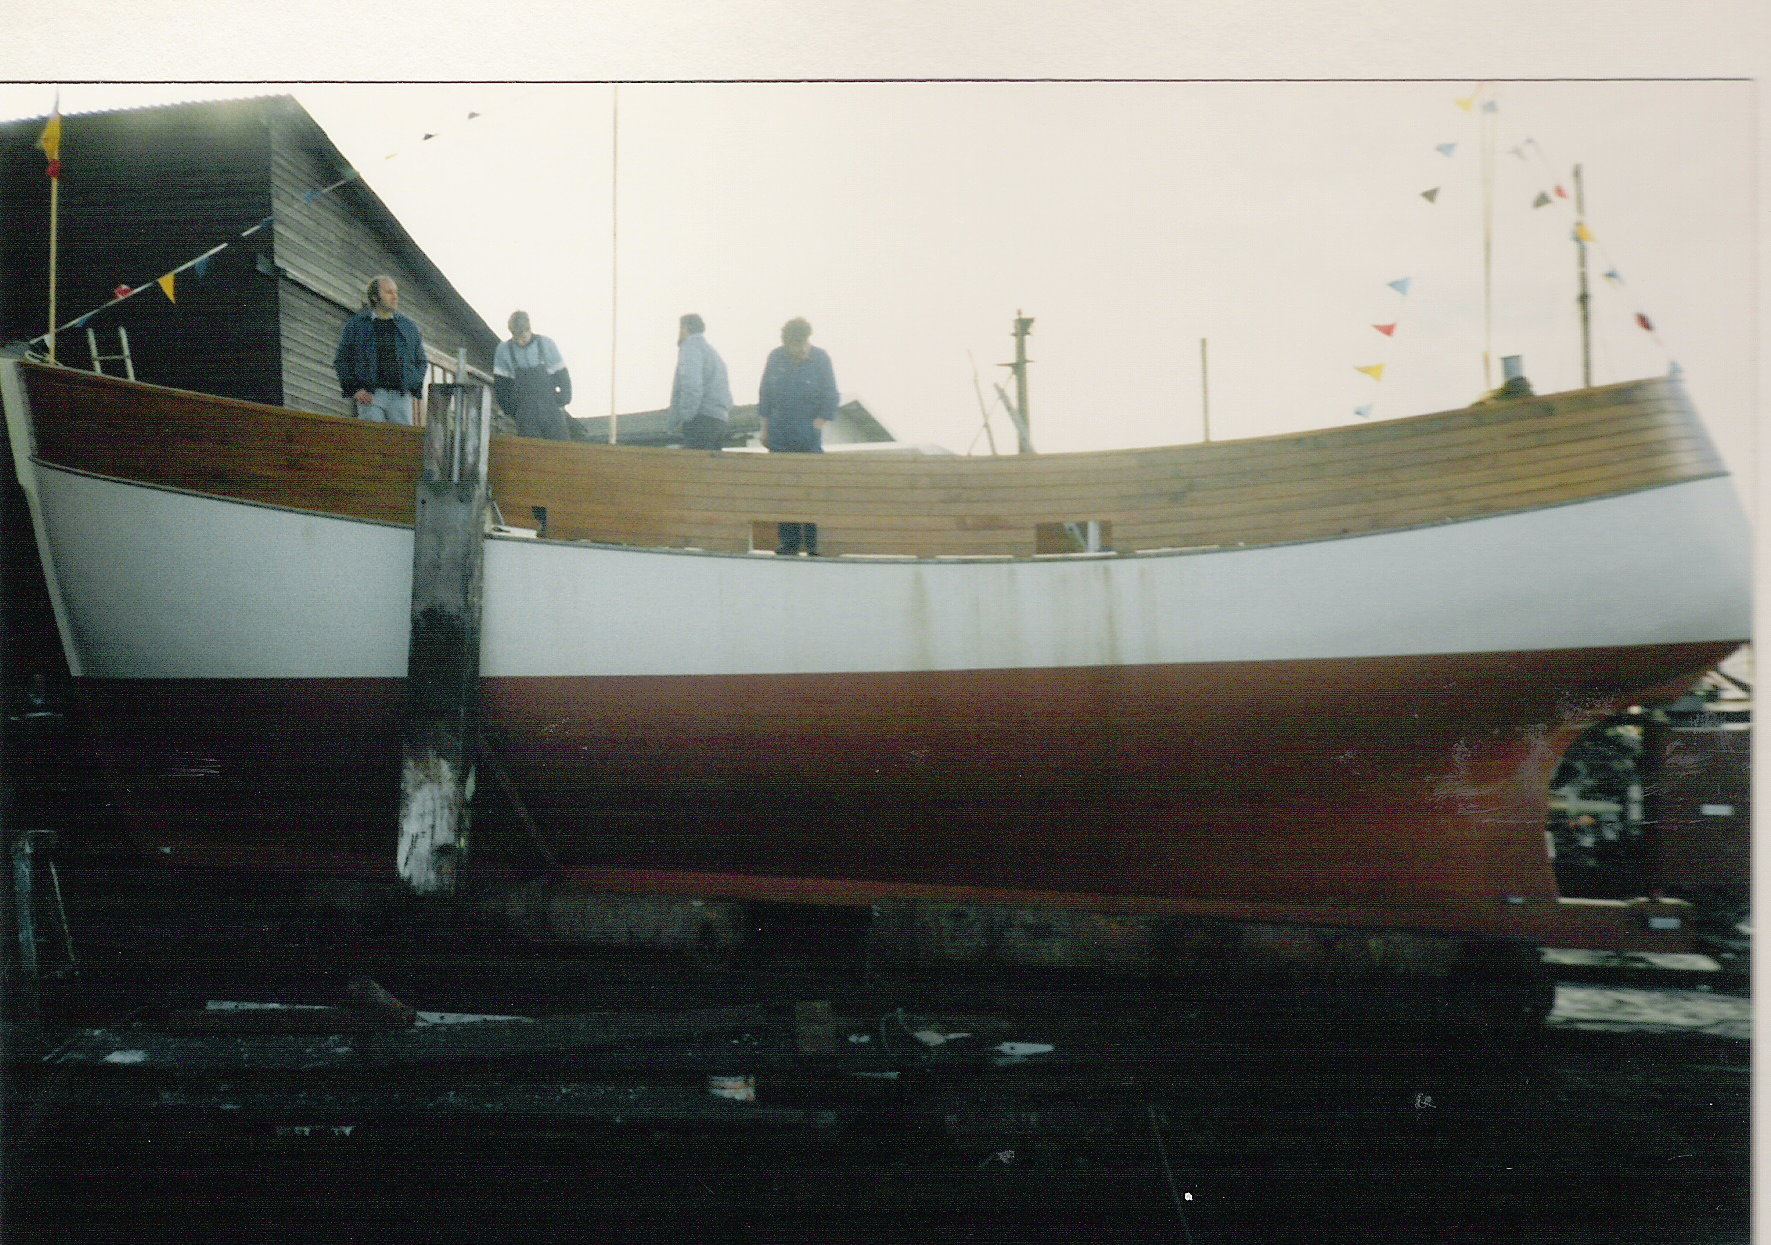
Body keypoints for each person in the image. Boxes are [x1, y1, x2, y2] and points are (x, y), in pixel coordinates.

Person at [758, 317, 838, 555]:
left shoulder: (821, 358)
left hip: (808, 438)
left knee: (810, 489)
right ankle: (789, 542)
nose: (799, 349)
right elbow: (765, 396)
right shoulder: (775, 357)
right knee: (784, 489)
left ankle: (813, 544)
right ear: (786, 343)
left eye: (802, 343)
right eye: (793, 345)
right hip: (780, 436)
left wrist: (818, 424)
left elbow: (831, 396)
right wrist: (764, 429)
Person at [333, 275, 427, 425]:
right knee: (373, 438)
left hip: (401, 397)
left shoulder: (408, 327)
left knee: (401, 439)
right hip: (371, 396)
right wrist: (355, 390)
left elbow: (421, 361)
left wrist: (411, 384)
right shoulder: (357, 325)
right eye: (389, 292)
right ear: (375, 297)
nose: (395, 297)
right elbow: (342, 360)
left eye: (396, 292)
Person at [493, 311, 574, 440]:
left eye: (523, 336)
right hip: (525, 413)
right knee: (531, 449)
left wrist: (562, 400)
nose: (520, 341)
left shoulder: (546, 344)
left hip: (551, 408)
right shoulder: (503, 351)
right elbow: (501, 387)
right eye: (516, 337)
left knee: (560, 448)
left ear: (529, 329)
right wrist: (512, 409)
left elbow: (562, 376)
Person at [667, 313, 732, 450]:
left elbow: (692, 385)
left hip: (700, 419)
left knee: (692, 462)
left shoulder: (690, 347)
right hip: (719, 420)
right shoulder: (712, 352)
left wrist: (685, 417)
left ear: (685, 328)